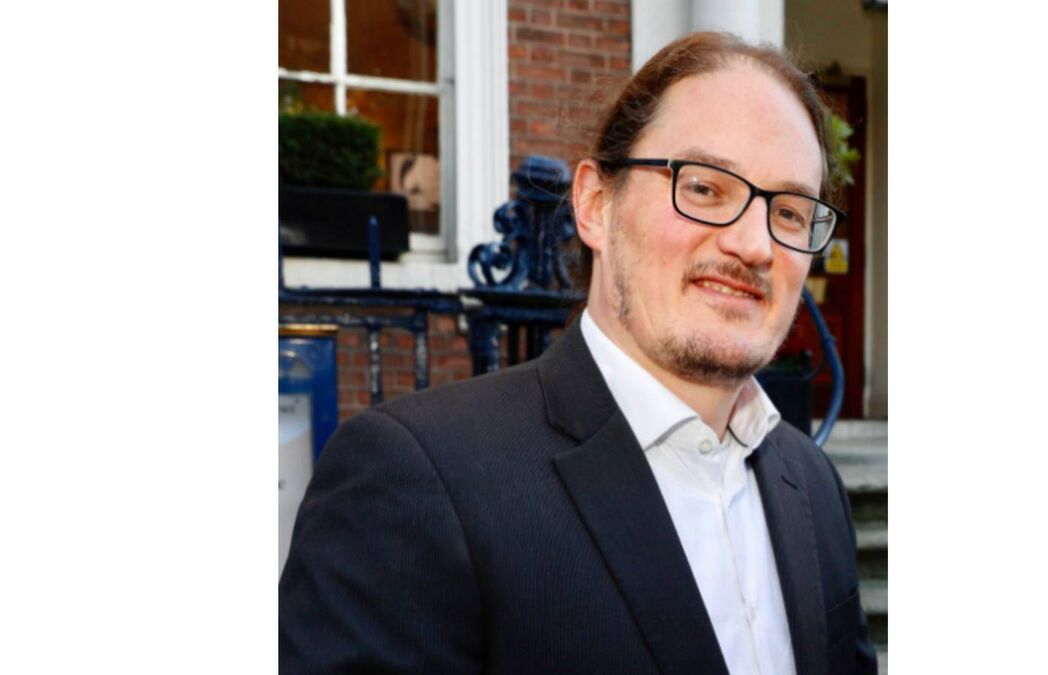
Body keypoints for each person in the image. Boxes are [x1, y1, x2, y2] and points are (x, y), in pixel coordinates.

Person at [280, 31, 877, 675]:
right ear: (595, 204)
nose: (754, 245)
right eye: (704, 188)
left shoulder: (812, 483)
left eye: (789, 212)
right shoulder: (415, 480)